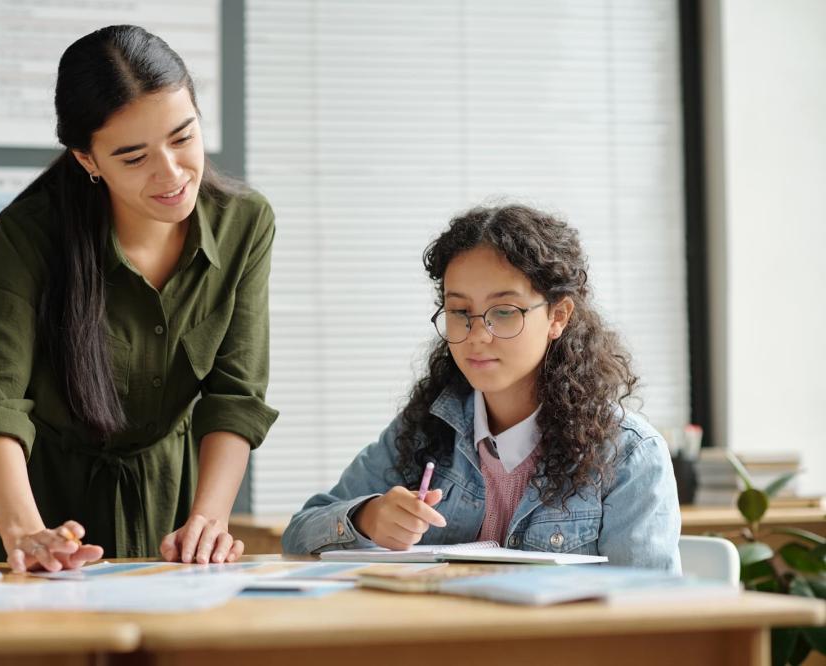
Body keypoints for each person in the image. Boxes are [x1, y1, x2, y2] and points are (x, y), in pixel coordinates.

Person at [0, 25, 278, 573]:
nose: (171, 174)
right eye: (133, 157)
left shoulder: (245, 224)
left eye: (183, 137)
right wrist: (27, 533)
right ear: (88, 160)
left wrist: (209, 522)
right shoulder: (28, 235)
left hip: (172, 499)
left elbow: (235, 395)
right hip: (44, 505)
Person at [281, 204, 681, 571]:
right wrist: (367, 519)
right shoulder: (424, 430)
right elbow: (299, 534)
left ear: (558, 316)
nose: (477, 335)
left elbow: (649, 619)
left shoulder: (628, 455)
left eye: (504, 312)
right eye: (460, 312)